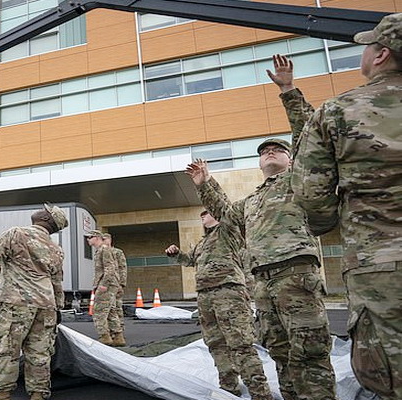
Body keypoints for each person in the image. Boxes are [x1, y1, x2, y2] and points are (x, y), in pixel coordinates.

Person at [184, 55, 335, 400]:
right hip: (262, 282)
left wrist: (288, 90)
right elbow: (225, 212)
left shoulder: (298, 180)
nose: (269, 151)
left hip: (295, 274)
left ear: (291, 159)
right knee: (279, 351)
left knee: (310, 350)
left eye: (276, 149)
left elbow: (308, 137)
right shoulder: (252, 201)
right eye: (264, 150)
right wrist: (205, 183)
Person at [289, 13, 402, 399]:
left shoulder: (338, 111)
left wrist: (331, 223)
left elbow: (312, 195)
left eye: (368, 46)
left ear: (382, 54)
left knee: (391, 375)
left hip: (381, 266)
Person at [165, 211, 272, 399]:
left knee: (240, 343)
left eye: (206, 213)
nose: (202, 216)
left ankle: (260, 393)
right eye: (201, 214)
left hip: (228, 292)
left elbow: (225, 211)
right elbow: (190, 260)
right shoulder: (203, 242)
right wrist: (177, 254)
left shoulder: (228, 231)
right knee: (216, 343)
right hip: (205, 296)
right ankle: (229, 387)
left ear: (216, 214)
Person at [0, 203, 67, 400]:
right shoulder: (56, 249)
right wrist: (58, 307)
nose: (41, 210)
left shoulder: (16, 233)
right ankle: (38, 394)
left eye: (45, 210)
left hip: (16, 303)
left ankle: (4, 394)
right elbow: (56, 282)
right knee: (40, 353)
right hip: (46, 306)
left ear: (47, 219)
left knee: (7, 350)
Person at [84, 230, 121, 346]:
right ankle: (118, 337)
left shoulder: (104, 250)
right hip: (109, 283)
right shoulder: (100, 250)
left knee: (99, 310)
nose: (87, 240)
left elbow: (110, 268)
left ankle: (105, 337)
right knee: (110, 311)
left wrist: (104, 284)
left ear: (96, 237)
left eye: (89, 237)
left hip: (107, 284)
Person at [102, 233, 127, 347]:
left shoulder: (117, 252)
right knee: (107, 308)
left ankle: (119, 331)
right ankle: (109, 331)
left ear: (110, 240)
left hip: (116, 283)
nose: (103, 241)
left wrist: (122, 283)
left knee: (117, 307)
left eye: (105, 239)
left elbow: (123, 268)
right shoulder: (101, 252)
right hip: (106, 284)